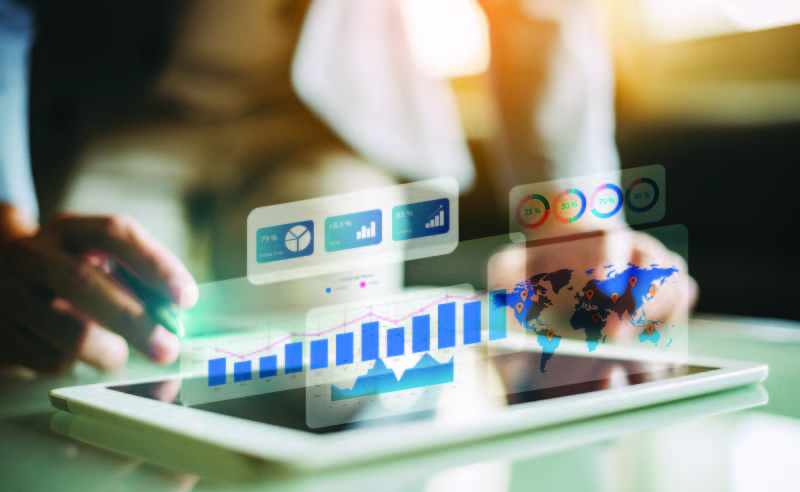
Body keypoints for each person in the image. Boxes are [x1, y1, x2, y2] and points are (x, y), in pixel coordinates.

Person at [0, 0, 695, 375]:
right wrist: (5, 217)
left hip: (324, 118)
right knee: (67, 348)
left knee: (338, 372)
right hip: (99, 111)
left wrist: (572, 221)